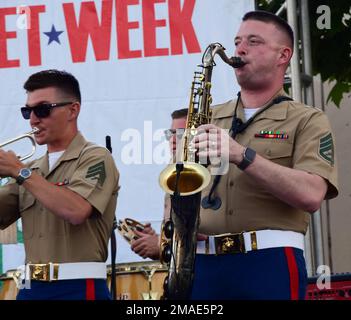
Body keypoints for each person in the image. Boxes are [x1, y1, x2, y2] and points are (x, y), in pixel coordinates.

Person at [190, 10, 338, 300]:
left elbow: (311, 195)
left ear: (283, 56)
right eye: (237, 42)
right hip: (202, 266)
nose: (239, 50)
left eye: (254, 42)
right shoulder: (209, 117)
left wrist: (243, 155)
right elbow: (182, 184)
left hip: (267, 262)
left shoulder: (308, 119)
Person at [0, 70, 119, 300]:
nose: (34, 119)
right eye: (28, 111)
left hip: (77, 286)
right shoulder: (31, 169)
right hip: (29, 288)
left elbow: (76, 210)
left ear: (73, 110)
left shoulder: (96, 157)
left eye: (43, 109)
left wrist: (18, 170)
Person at [130, 108, 188, 260]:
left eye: (181, 133)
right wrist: (159, 238)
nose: (173, 139)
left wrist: (160, 245)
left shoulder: (206, 177)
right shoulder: (173, 173)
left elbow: (200, 236)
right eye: (170, 133)